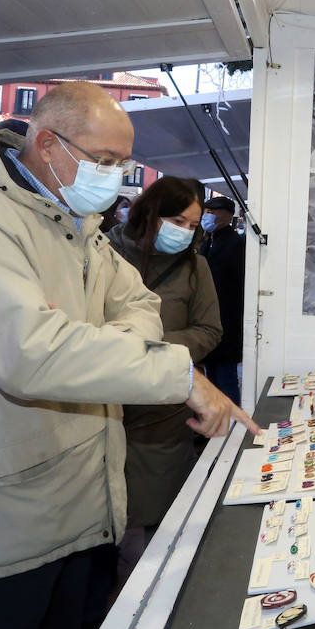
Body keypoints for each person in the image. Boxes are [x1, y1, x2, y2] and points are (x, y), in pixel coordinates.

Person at [0, 81, 261, 629]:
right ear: (48, 144)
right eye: (105, 161)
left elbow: (141, 304)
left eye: (122, 163)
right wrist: (175, 375)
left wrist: (97, 341)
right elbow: (33, 352)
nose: (115, 175)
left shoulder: (79, 223)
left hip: (82, 509)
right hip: (1, 525)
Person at [107, 176, 221, 548]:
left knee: (159, 526)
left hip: (164, 414)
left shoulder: (194, 267)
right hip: (102, 408)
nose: (185, 232)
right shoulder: (105, 254)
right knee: (104, 521)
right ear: (153, 213)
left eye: (192, 225)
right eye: (178, 222)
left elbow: (209, 330)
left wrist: (154, 349)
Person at [199, 194, 246, 404]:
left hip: (227, 320)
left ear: (227, 215)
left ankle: (232, 424)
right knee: (212, 379)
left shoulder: (235, 244)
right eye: (206, 212)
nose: (207, 216)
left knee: (226, 380)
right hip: (209, 321)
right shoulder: (207, 242)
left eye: (212, 212)